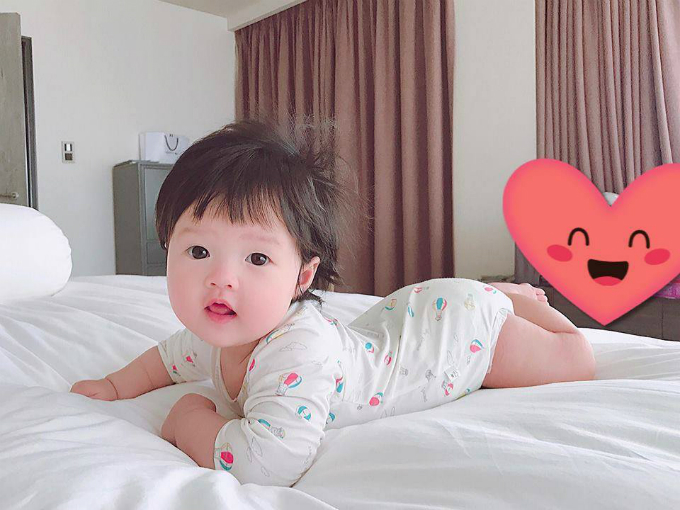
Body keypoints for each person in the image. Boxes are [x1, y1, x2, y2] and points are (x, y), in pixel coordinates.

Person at [70, 119, 596, 487]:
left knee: (575, 360)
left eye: (257, 259)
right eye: (199, 251)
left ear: (302, 277)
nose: (221, 280)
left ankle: (515, 298)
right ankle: (499, 293)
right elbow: (166, 359)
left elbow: (265, 465)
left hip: (460, 337)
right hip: (411, 313)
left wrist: (188, 418)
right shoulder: (220, 330)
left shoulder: (296, 350)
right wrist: (115, 385)